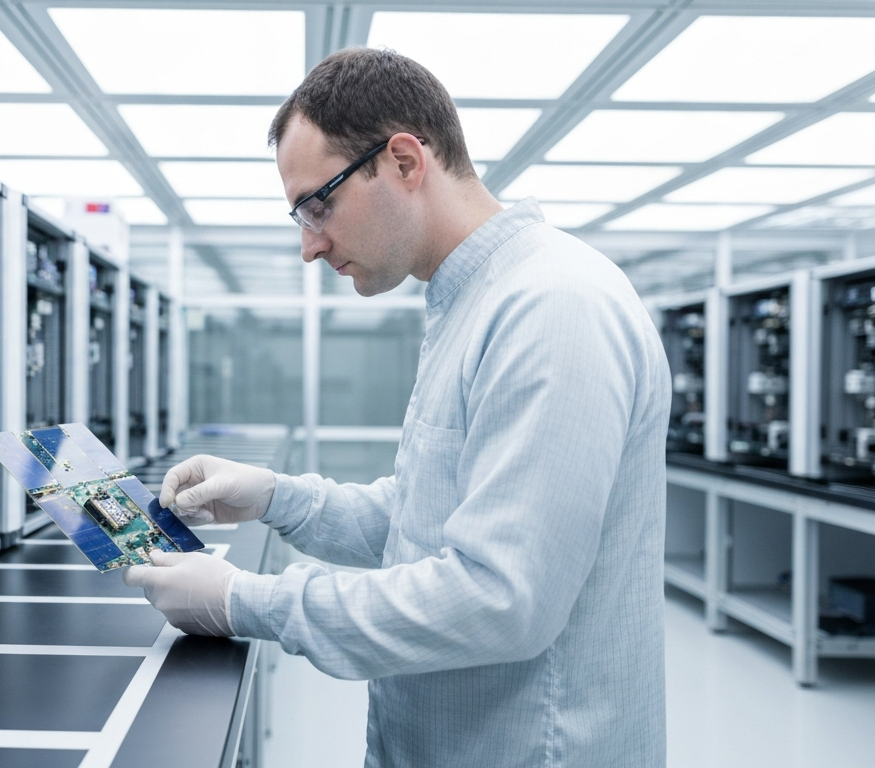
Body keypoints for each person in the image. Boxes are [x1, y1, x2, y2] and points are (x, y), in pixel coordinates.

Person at [122, 47, 669, 767]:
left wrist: (244, 600)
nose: (309, 246)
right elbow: (428, 522)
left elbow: (500, 597)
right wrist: (280, 498)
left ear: (406, 161)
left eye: (320, 204)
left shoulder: (550, 307)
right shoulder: (473, 299)